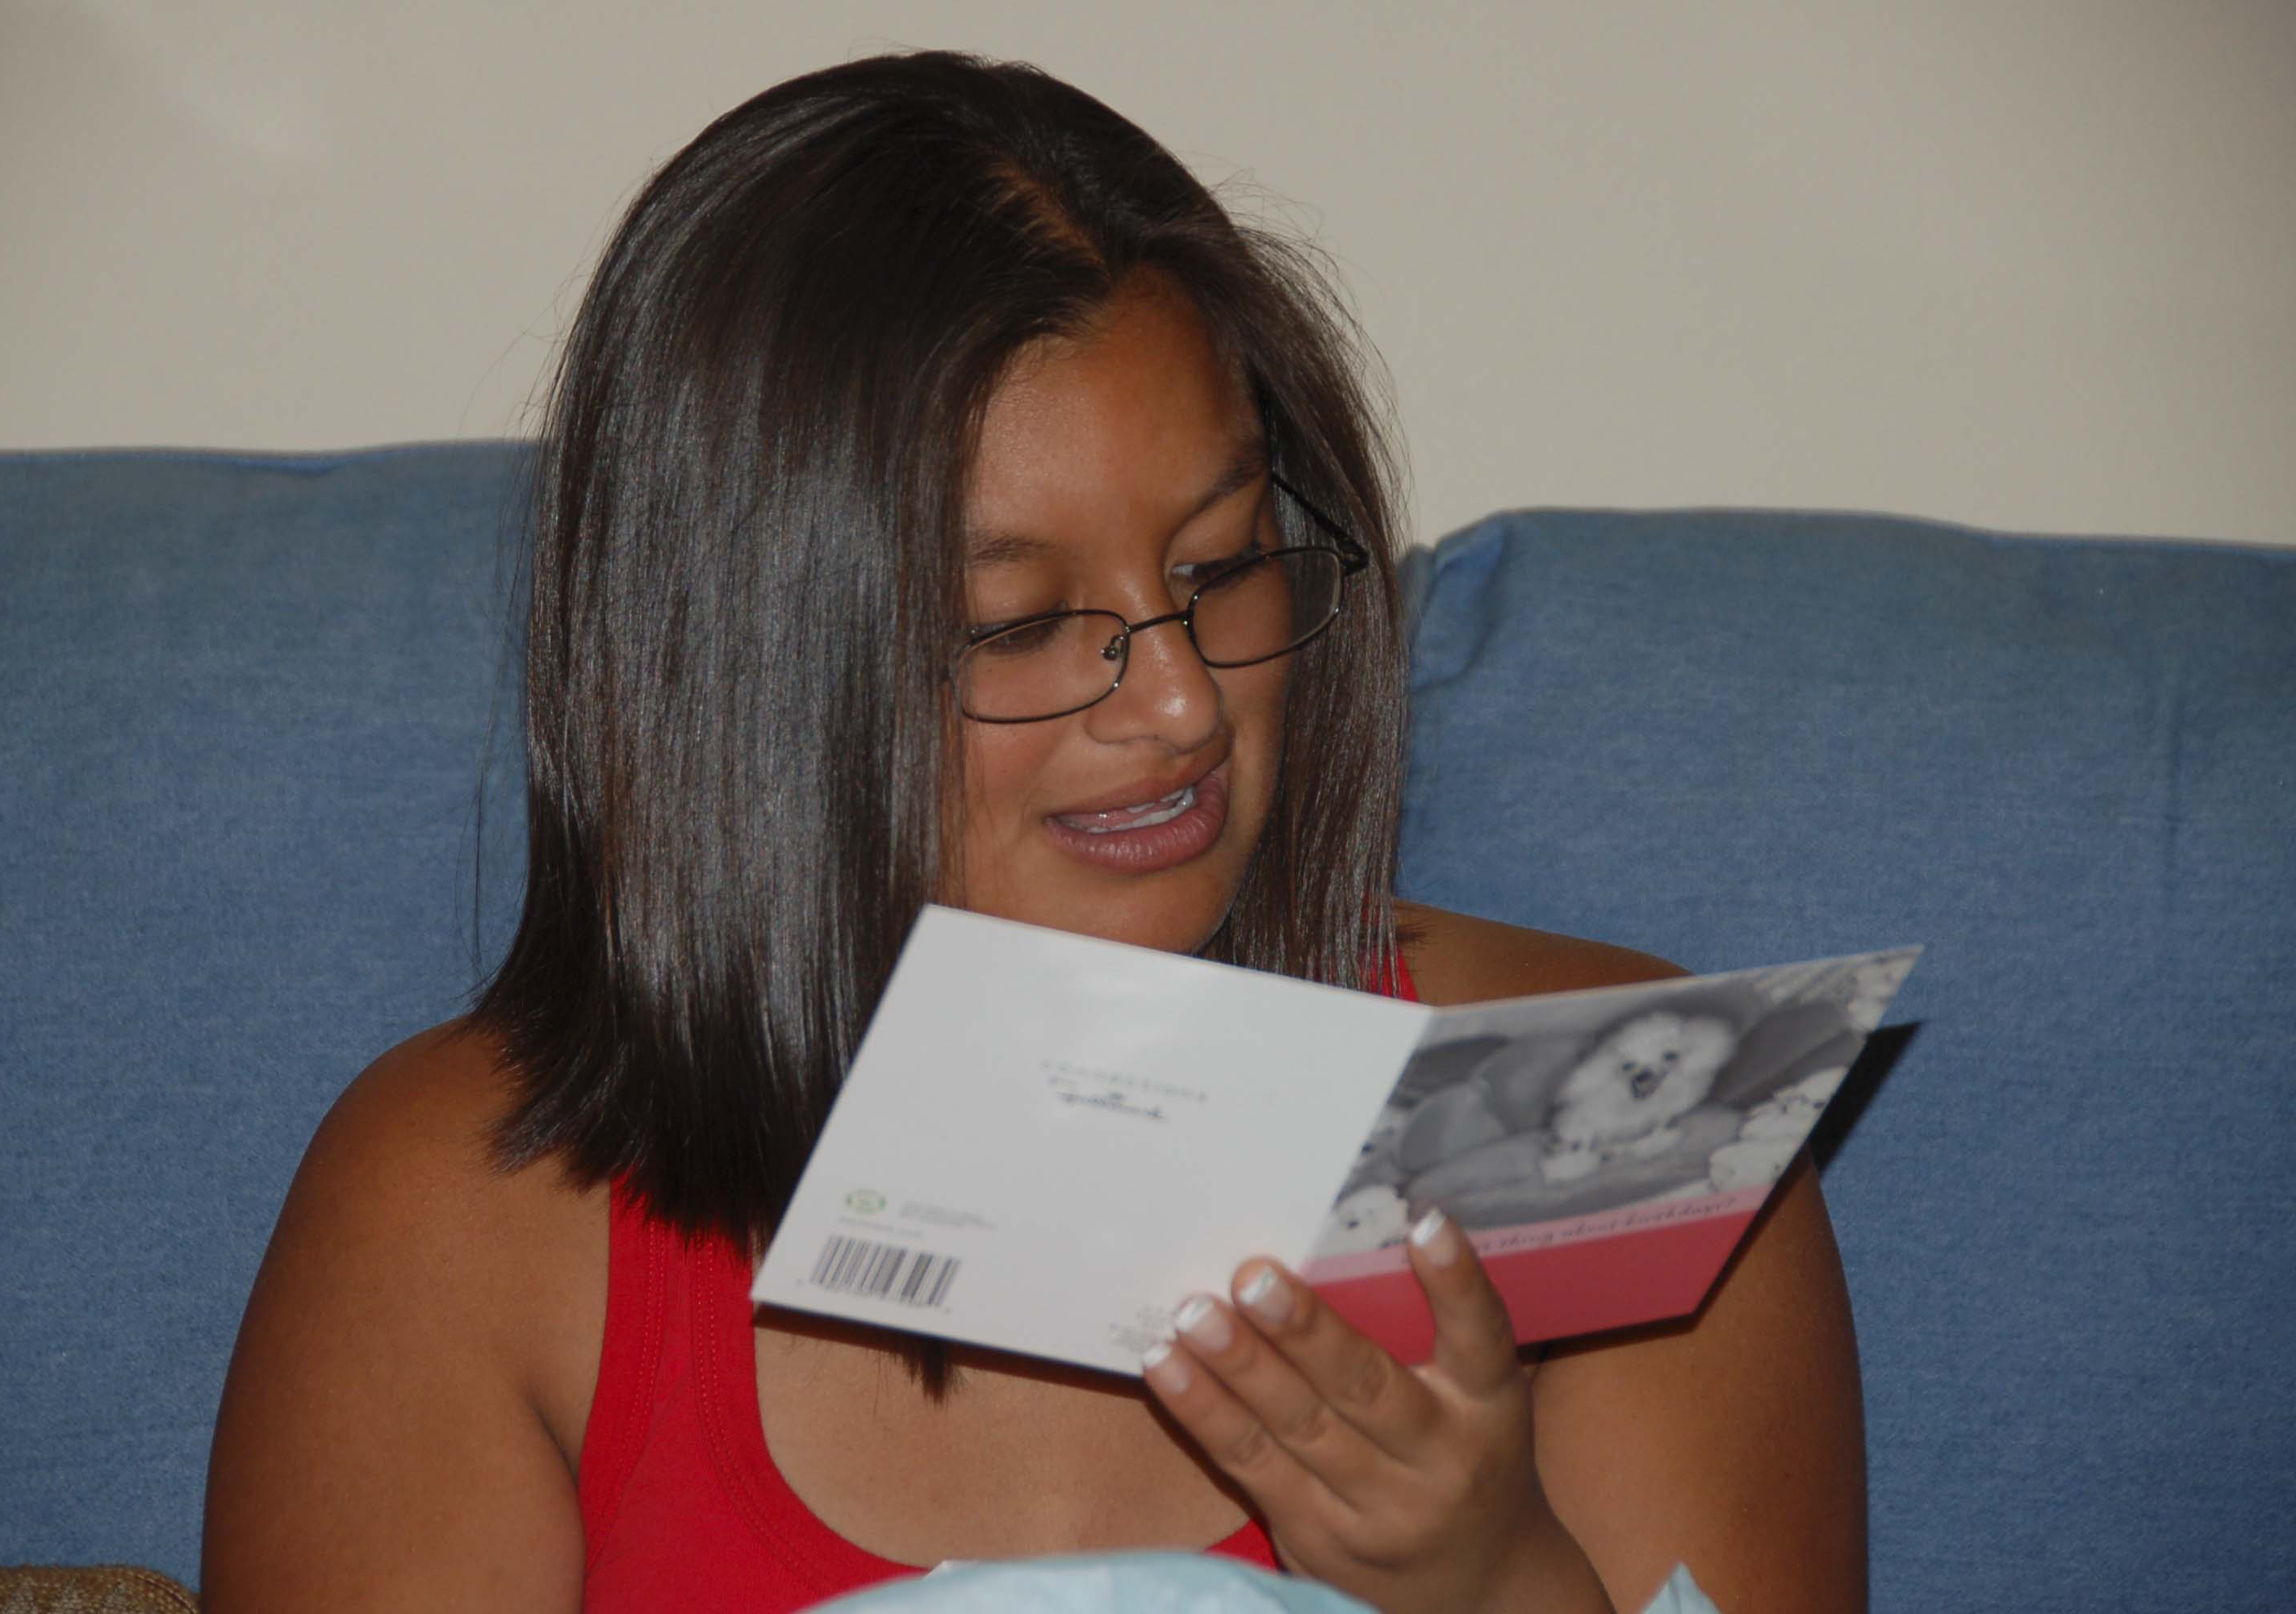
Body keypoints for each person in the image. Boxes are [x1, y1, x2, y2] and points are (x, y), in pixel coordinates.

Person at [199, 51, 1863, 1614]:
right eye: (1016, 624)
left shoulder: (1618, 1118)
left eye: (1221, 566)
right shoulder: (469, 1213)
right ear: (735, 677)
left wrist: (1495, 1579)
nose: (1185, 704)